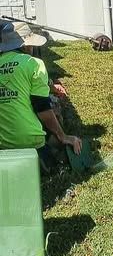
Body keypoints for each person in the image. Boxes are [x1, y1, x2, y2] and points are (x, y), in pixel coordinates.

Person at [0, 20, 82, 159]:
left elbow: (14, 83)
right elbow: (42, 107)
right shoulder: (34, 64)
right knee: (54, 114)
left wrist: (50, 87)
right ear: (26, 46)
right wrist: (63, 137)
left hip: (2, 143)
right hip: (30, 142)